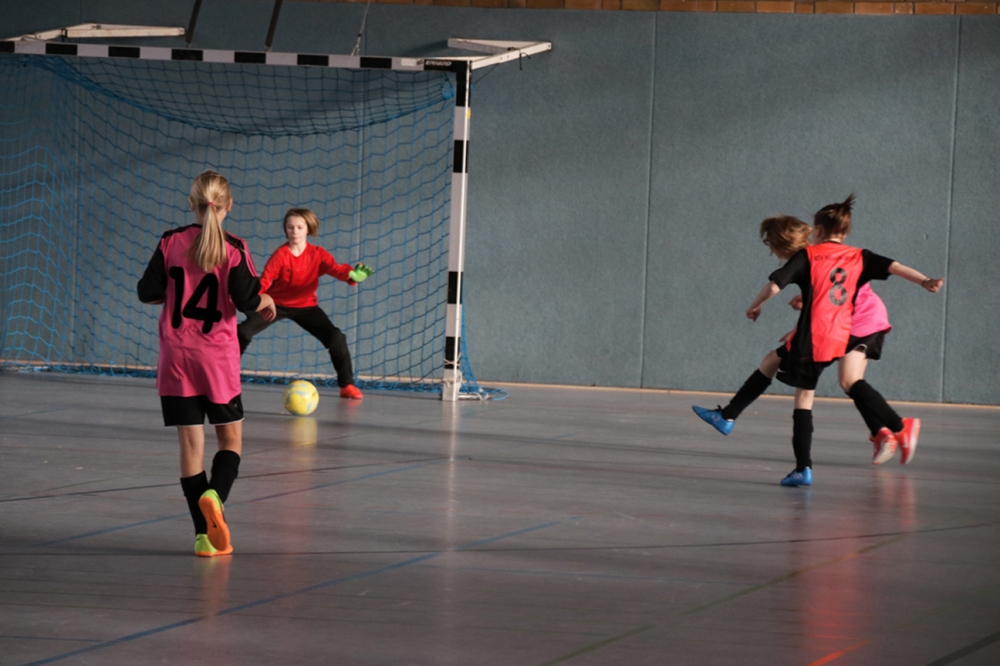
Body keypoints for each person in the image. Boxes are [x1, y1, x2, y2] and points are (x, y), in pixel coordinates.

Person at [697, 197, 943, 487]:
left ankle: (886, 430)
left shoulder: (811, 257)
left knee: (812, 391)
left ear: (817, 230)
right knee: (844, 380)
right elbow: (893, 267)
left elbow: (790, 292)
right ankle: (885, 430)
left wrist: (758, 307)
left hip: (847, 325)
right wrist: (925, 281)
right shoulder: (854, 256)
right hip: (840, 327)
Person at [138, 170, 276, 557]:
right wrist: (266, 300)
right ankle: (215, 494)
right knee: (230, 440)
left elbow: (146, 293)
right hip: (217, 359)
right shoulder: (235, 248)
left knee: (190, 445)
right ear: (228, 206)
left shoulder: (170, 241)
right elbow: (249, 302)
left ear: (191, 204)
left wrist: (173, 294)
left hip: (176, 357)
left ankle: (202, 537)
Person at [237, 208, 373, 400]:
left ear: (308, 229)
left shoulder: (317, 254)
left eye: (299, 227)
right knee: (242, 332)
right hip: (276, 305)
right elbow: (264, 281)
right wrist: (254, 300)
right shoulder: (281, 255)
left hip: (306, 307)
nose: (294, 231)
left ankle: (347, 385)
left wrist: (351, 275)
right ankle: (227, 375)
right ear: (285, 229)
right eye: (290, 227)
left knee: (336, 338)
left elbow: (336, 268)